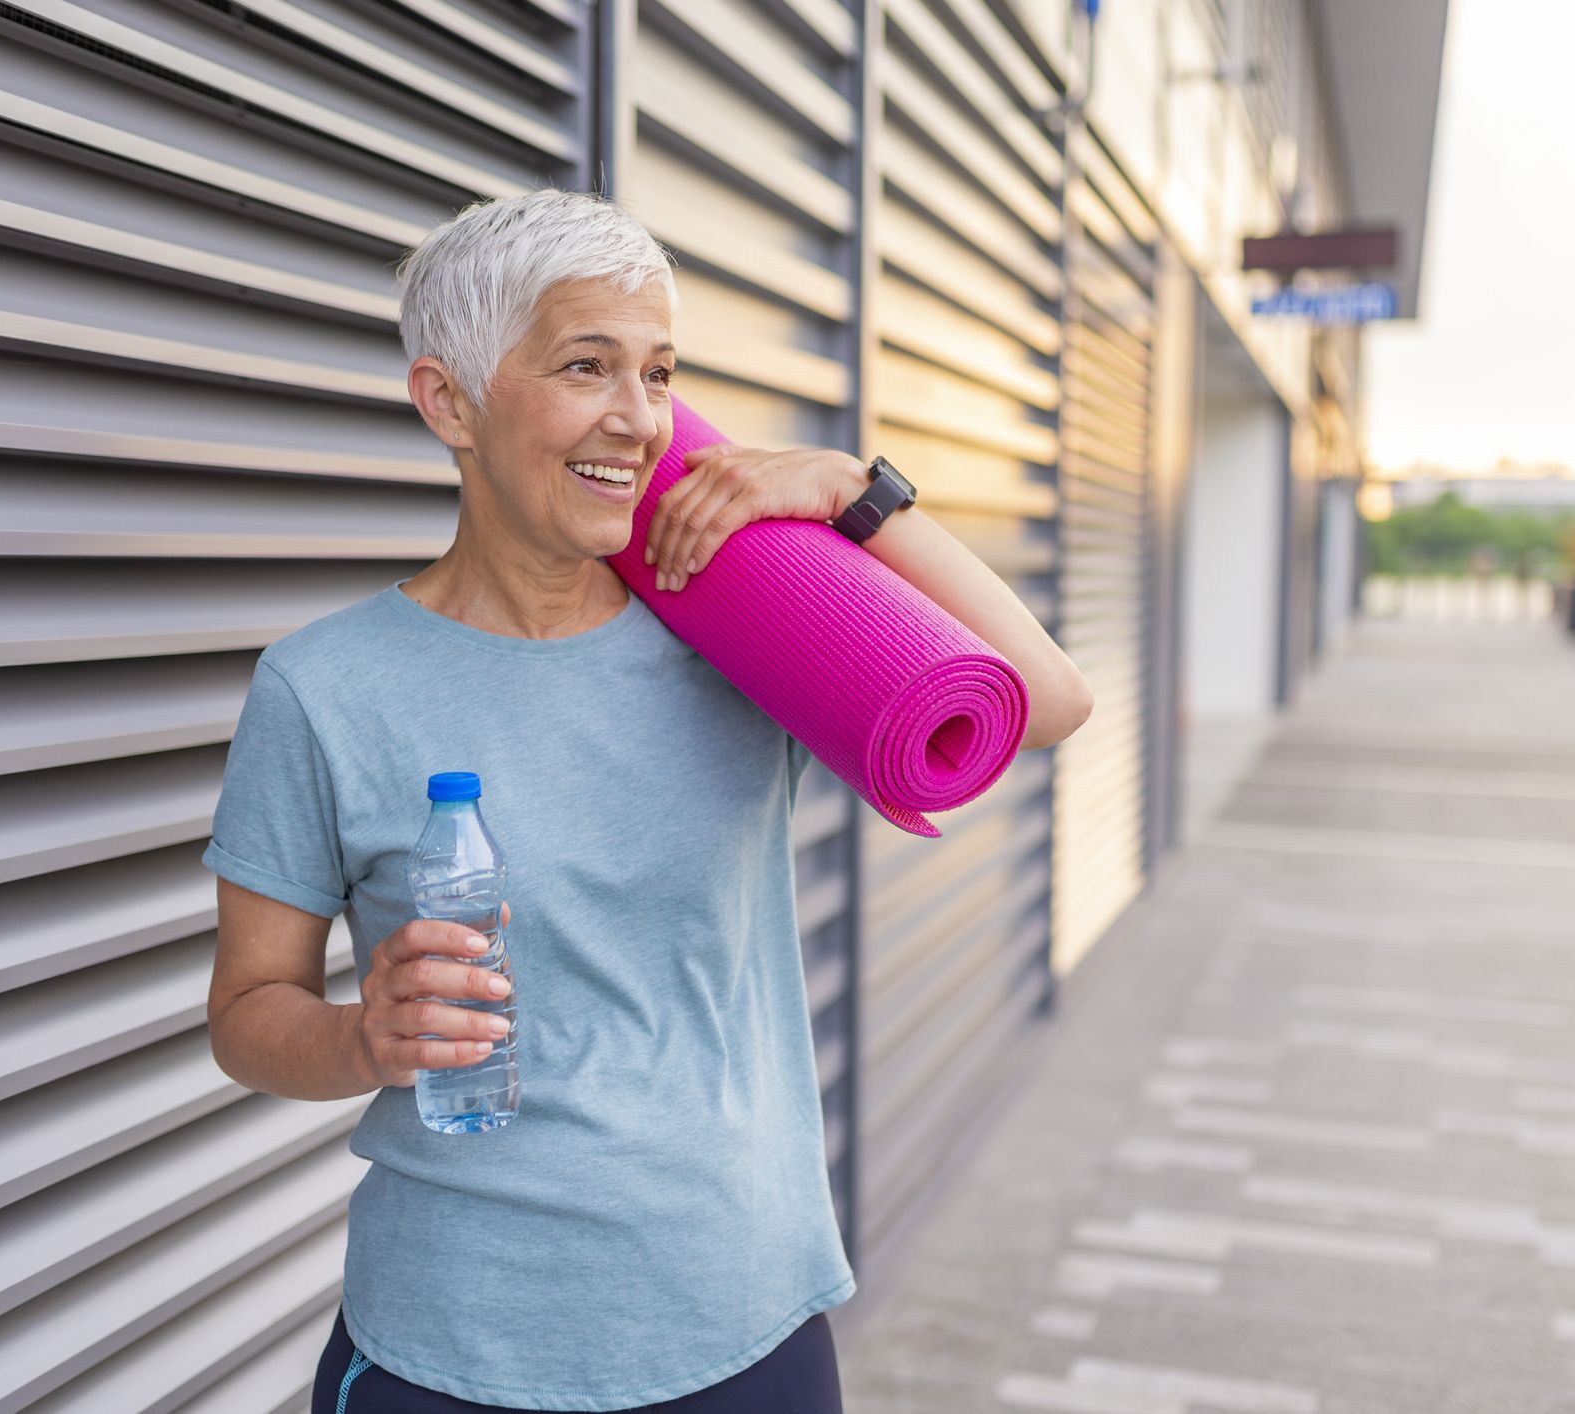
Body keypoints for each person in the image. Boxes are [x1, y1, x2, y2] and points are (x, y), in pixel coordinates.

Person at [202, 188, 1095, 1413]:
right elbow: (250, 1012)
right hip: (453, 1342)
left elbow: (1044, 698)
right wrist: (363, 1035)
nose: (636, 419)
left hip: (739, 1317)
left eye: (659, 372)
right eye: (586, 366)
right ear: (447, 400)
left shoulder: (743, 630)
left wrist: (847, 494)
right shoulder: (322, 689)